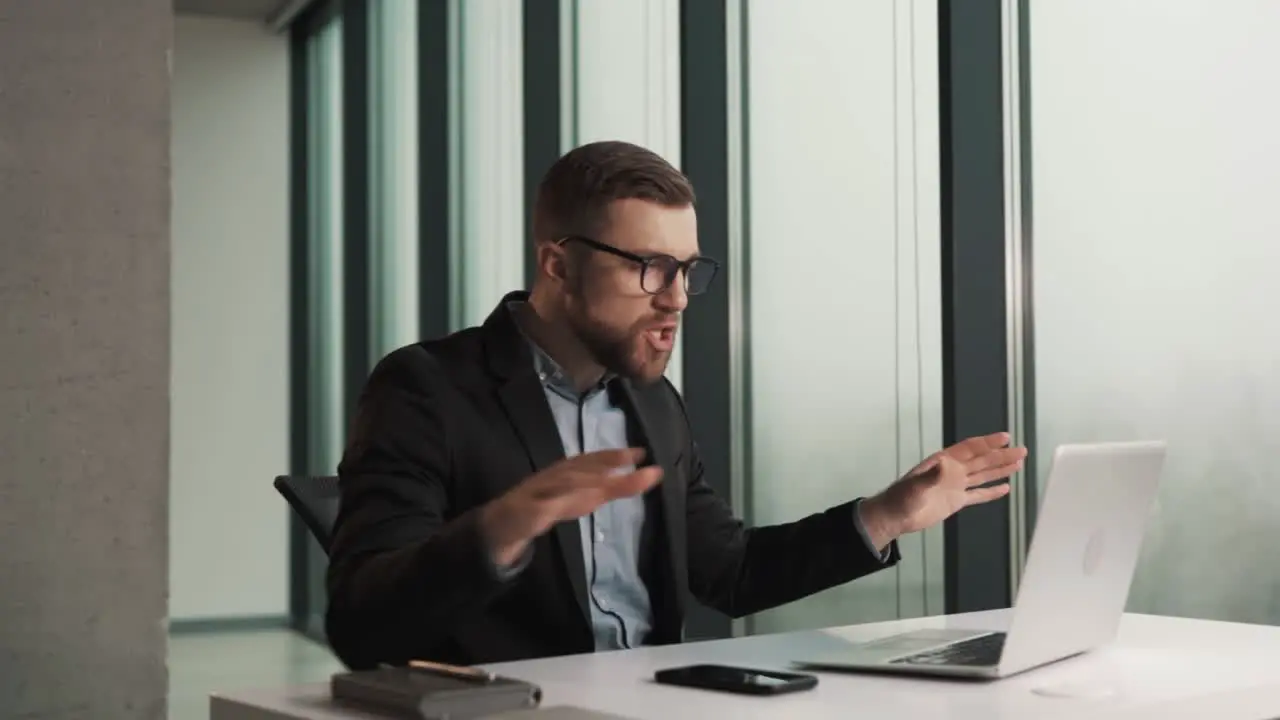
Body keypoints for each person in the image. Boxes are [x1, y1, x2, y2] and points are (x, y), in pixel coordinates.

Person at [325, 140, 1026, 670]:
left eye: (687, 269)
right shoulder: (426, 388)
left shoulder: (652, 401)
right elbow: (361, 624)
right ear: (558, 265)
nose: (678, 298)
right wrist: (500, 529)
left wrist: (887, 515)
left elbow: (729, 572)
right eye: (649, 268)